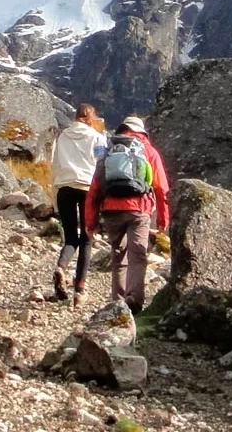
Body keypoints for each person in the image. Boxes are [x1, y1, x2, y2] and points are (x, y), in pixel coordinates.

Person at [84, 116, 170, 313]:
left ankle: (118, 302)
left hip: (111, 210)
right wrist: (164, 220)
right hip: (139, 209)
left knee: (118, 256)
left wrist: (91, 223)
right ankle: (134, 301)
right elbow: (161, 189)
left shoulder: (108, 151)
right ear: (141, 132)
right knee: (138, 255)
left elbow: (95, 189)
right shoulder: (149, 151)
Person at [48, 103, 106, 303]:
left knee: (71, 237)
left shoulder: (62, 136)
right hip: (87, 188)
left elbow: (55, 164)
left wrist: (55, 191)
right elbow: (101, 164)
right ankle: (79, 288)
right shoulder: (97, 137)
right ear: (91, 118)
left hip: (64, 187)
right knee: (87, 237)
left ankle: (61, 267)